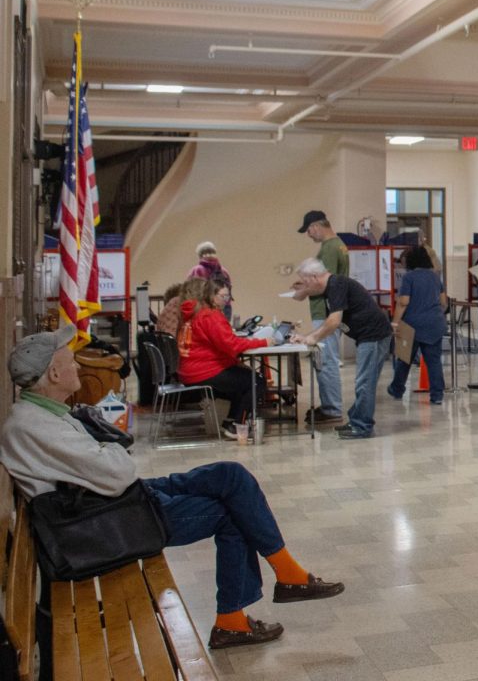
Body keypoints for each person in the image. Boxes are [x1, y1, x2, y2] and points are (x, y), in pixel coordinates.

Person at [2, 324, 344, 650]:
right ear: (54, 374)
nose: (77, 363)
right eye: (69, 360)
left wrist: (105, 448)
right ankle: (234, 619)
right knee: (233, 514)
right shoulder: (35, 427)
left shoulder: (44, 414)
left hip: (115, 502)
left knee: (230, 474)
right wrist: (110, 447)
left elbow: (107, 465)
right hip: (110, 522)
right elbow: (119, 469)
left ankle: (287, 575)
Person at [292, 258, 393, 439]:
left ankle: (362, 426)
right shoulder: (330, 287)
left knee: (365, 382)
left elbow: (334, 321)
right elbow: (313, 302)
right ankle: (356, 420)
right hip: (367, 336)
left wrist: (311, 338)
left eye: (306, 281)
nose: (306, 286)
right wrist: (302, 291)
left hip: (374, 336)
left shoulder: (336, 284)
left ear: (315, 277)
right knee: (363, 381)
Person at [178, 280, 270, 439]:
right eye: (224, 296)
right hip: (203, 371)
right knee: (256, 381)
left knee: (242, 378)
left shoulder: (192, 314)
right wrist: (264, 341)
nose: (227, 301)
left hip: (189, 370)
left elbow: (218, 347)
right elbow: (231, 345)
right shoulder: (210, 315)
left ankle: (231, 422)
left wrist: (236, 363)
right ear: (212, 296)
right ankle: (237, 426)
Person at [298, 210, 349, 425]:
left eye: (309, 230)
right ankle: (330, 405)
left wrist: (302, 291)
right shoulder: (338, 245)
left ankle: (331, 408)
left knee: (326, 361)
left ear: (317, 226)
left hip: (326, 311)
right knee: (326, 359)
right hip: (329, 309)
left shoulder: (329, 248)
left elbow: (322, 283)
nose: (309, 235)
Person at [387, 246, 447, 404]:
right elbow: (443, 302)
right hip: (435, 323)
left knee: (404, 359)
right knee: (433, 361)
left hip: (412, 324)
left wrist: (395, 322)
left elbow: (403, 302)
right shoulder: (435, 276)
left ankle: (397, 389)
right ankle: (437, 395)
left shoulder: (409, 277)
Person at [188, 242, 233, 320]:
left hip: (205, 308)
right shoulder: (224, 271)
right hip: (225, 307)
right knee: (222, 330)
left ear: (200, 255)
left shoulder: (197, 270)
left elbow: (191, 291)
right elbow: (228, 290)